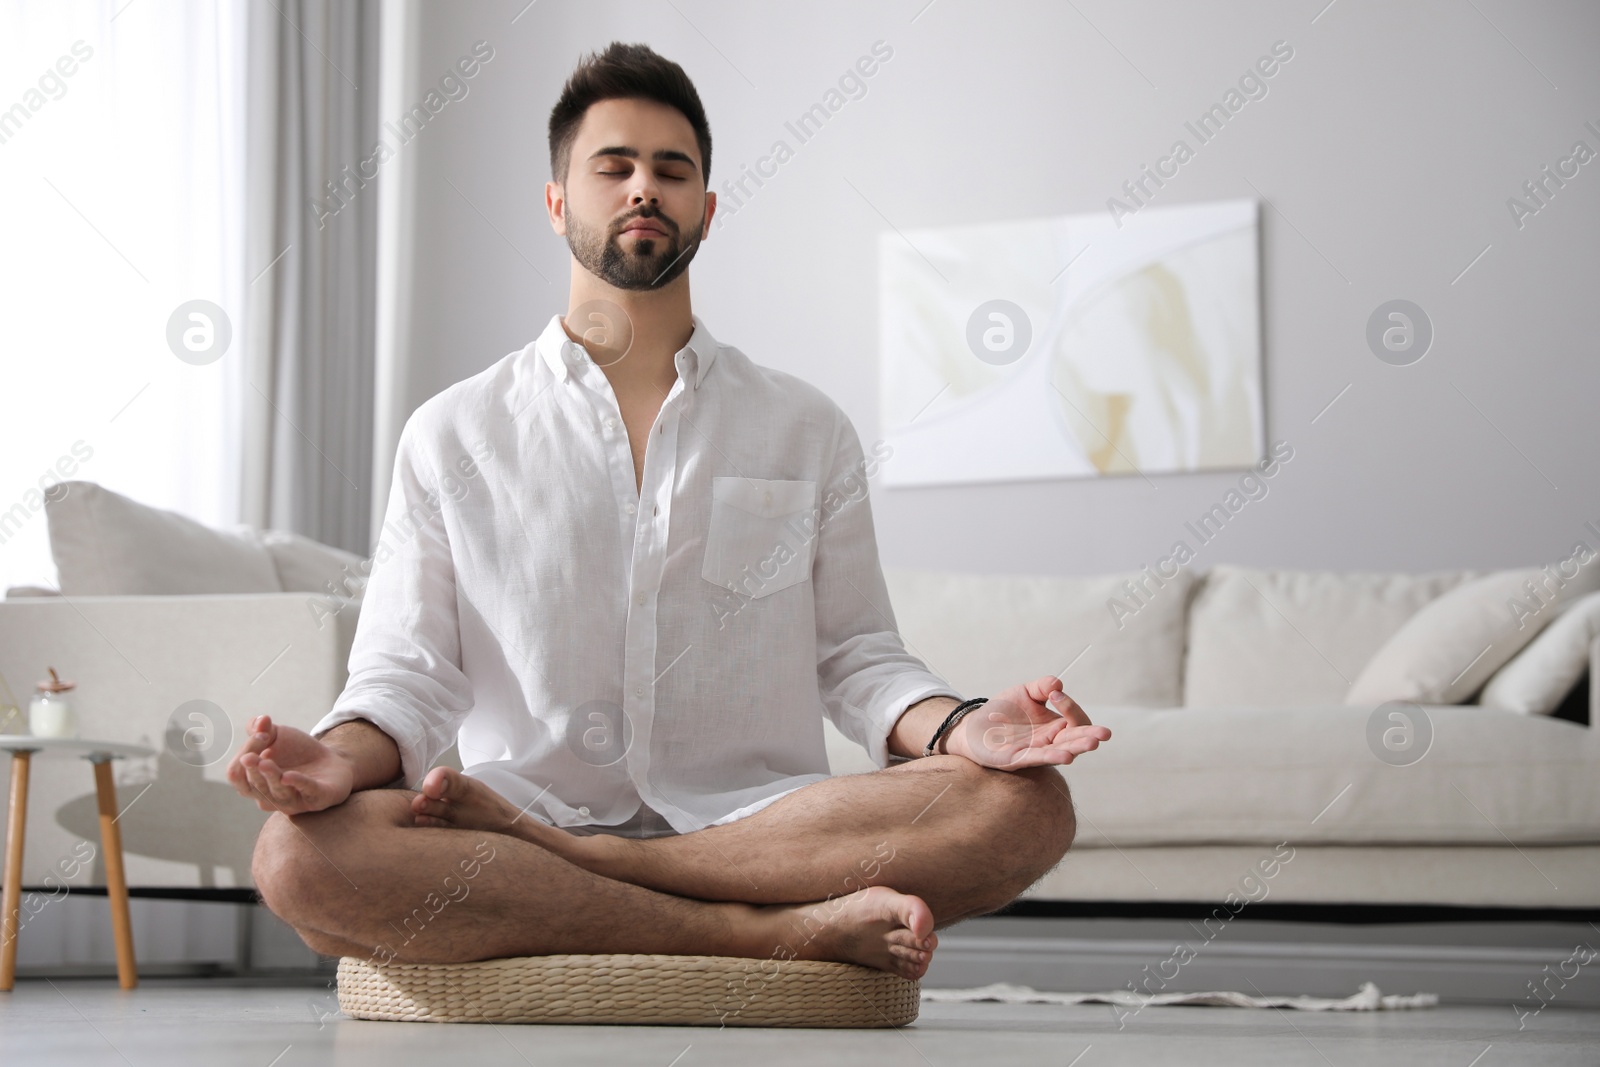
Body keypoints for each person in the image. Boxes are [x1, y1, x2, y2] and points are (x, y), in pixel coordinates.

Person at [232, 41, 1110, 981]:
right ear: (557, 201)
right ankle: (761, 933)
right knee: (298, 855)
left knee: (1028, 807)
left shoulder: (806, 427)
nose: (643, 187)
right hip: (522, 813)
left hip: (762, 826)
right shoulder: (452, 432)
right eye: (613, 166)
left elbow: (858, 658)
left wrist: (963, 727)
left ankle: (601, 871)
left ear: (707, 208)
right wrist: (333, 759)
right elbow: (405, 676)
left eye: (671, 169)